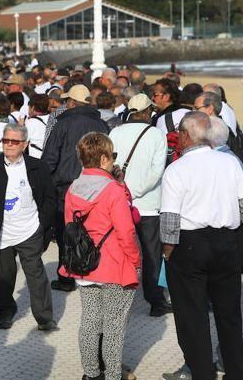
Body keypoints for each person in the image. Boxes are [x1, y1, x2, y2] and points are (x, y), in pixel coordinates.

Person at [160, 111, 243, 380]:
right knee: (229, 315)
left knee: (193, 316)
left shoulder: (176, 169)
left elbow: (169, 222)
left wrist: (167, 255)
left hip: (190, 245)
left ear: (185, 135)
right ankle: (235, 373)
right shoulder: (229, 163)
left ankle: (202, 373)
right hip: (226, 242)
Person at [60, 132, 141, 380]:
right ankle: (113, 374)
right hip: (114, 264)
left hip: (84, 263)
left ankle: (91, 373)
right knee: (114, 326)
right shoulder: (113, 190)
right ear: (105, 158)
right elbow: (126, 231)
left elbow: (70, 228)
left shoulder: (73, 188)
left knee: (90, 320)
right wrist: (137, 260)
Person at [0, 123, 57, 331]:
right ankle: (6, 313)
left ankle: (45, 318)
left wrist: (41, 223)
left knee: (35, 275)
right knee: (3, 277)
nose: (9, 145)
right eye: (5, 140)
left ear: (25, 144)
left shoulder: (38, 167)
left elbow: (50, 198)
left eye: (14, 141)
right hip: (0, 232)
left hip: (30, 229)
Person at [42, 84, 109, 292]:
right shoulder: (102, 124)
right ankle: (92, 271)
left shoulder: (62, 124)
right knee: (93, 229)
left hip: (66, 186)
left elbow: (50, 157)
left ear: (71, 102)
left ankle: (67, 277)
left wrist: (45, 181)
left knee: (67, 232)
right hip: (97, 184)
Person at [109, 94, 170, 317]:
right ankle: (155, 301)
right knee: (151, 254)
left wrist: (124, 192)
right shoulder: (156, 134)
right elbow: (157, 171)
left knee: (119, 251)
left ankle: (116, 297)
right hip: (148, 205)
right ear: (147, 112)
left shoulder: (115, 132)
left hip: (119, 203)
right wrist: (135, 192)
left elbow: (109, 164)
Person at [24, 94, 49, 159]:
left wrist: (20, 126)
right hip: (48, 157)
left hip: (35, 158)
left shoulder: (31, 122)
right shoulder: (52, 118)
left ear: (32, 107)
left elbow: (23, 141)